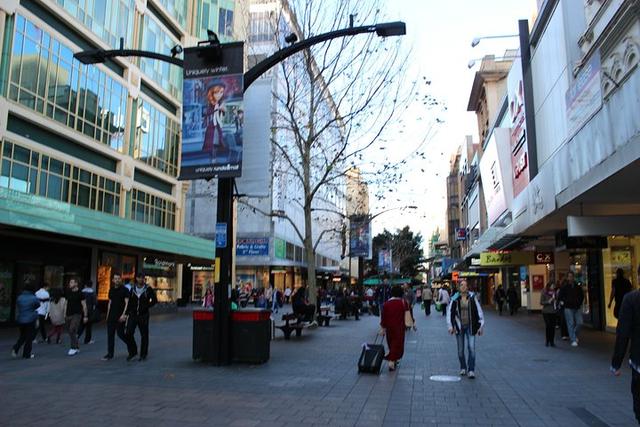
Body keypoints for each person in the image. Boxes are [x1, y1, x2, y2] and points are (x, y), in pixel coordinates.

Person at [447, 280, 484, 379]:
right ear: (459, 287)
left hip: (470, 326)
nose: (463, 287)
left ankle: (471, 370)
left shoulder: (472, 297)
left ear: (467, 287)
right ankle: (463, 367)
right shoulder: (455, 298)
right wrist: (450, 326)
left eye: (465, 285)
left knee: (471, 348)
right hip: (459, 327)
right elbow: (450, 312)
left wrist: (480, 326)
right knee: (460, 350)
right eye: (461, 285)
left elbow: (479, 311)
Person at [103, 273, 135, 361]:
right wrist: (107, 315)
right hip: (111, 316)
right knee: (110, 335)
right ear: (113, 280)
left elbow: (127, 303)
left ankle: (132, 349)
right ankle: (110, 354)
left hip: (120, 316)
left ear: (121, 280)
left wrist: (124, 314)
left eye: (118, 278)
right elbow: (110, 303)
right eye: (115, 278)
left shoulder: (125, 290)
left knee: (121, 334)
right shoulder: (111, 289)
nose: (117, 280)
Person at [126, 272, 157, 361]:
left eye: (142, 278)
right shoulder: (132, 289)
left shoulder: (148, 289)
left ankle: (143, 354)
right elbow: (129, 301)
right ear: (136, 279)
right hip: (133, 314)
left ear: (144, 279)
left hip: (143, 315)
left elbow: (154, 300)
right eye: (139, 278)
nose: (140, 279)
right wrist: (127, 312)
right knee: (128, 333)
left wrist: (146, 306)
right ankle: (133, 351)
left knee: (144, 335)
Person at [379, 285, 409, 371]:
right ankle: (391, 361)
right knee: (397, 345)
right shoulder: (403, 302)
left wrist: (383, 328)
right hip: (399, 328)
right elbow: (408, 315)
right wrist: (412, 324)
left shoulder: (386, 304)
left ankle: (393, 359)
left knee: (391, 344)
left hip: (389, 328)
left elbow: (383, 317)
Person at [11, 284, 40, 359]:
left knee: (22, 336)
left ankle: (16, 348)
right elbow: (38, 305)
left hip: (21, 319)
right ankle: (26, 354)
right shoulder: (34, 298)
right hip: (30, 319)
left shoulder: (19, 297)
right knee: (29, 337)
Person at [558, 272, 584, 347]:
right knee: (571, 323)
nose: (571, 278)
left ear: (573, 277)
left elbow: (581, 296)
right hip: (568, 307)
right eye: (569, 276)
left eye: (572, 276)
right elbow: (560, 296)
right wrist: (564, 302)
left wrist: (579, 303)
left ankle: (573, 335)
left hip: (577, 307)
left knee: (580, 322)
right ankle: (573, 339)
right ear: (567, 278)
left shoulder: (577, 287)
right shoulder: (564, 287)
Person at [64, 278, 88, 356]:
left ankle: (73, 348)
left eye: (71, 282)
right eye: (70, 282)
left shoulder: (81, 293)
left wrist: (85, 316)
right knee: (71, 332)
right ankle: (77, 347)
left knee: (72, 330)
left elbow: (84, 305)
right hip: (68, 314)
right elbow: (66, 303)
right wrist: (64, 314)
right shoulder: (68, 292)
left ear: (76, 284)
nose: (70, 284)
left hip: (77, 314)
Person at [202, 83, 226, 156]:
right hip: (211, 127)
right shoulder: (209, 104)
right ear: (211, 93)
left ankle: (214, 157)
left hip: (217, 126)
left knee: (217, 143)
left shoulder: (220, 103)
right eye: (216, 92)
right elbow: (207, 113)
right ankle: (212, 157)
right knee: (212, 143)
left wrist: (222, 110)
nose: (219, 95)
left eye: (221, 92)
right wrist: (217, 109)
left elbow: (222, 116)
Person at [77, 280, 97, 345]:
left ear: (85, 285)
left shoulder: (81, 292)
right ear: (91, 285)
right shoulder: (92, 292)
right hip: (89, 310)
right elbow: (95, 303)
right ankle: (87, 340)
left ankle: (77, 336)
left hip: (81, 309)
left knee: (81, 324)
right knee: (89, 326)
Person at [540, 283, 557, 347]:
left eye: (554, 286)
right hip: (546, 312)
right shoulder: (544, 292)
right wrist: (548, 302)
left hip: (553, 312)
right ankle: (547, 341)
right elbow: (541, 302)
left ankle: (552, 341)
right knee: (548, 326)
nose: (553, 287)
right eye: (552, 286)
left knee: (552, 327)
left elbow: (557, 300)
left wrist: (556, 301)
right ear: (549, 286)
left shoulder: (555, 293)